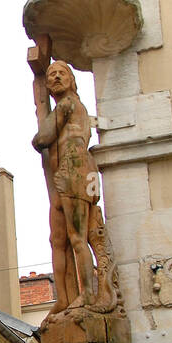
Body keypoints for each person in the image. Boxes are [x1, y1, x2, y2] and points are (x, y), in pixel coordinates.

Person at [31, 60, 117, 318]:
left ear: (71, 80)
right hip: (61, 178)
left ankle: (88, 294)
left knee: (76, 236)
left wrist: (41, 126)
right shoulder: (62, 107)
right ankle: (64, 299)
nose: (56, 77)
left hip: (76, 170)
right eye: (51, 74)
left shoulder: (70, 104)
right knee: (57, 240)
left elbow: (42, 138)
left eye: (61, 73)